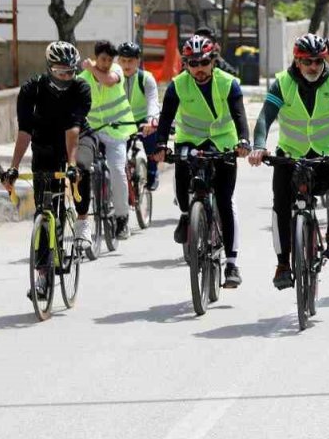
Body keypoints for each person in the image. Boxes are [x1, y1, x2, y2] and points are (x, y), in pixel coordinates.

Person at [248, 35, 329, 289]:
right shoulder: (282, 83)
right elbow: (265, 118)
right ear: (297, 61)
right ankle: (283, 263)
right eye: (307, 61)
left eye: (318, 61)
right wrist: (260, 147)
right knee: (281, 206)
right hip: (291, 156)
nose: (313, 67)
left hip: (327, 153)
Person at [154, 36, 251, 288]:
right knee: (182, 175)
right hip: (190, 140)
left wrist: (243, 141)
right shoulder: (178, 85)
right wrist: (162, 144)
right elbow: (165, 119)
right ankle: (187, 215)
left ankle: (231, 263)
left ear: (213, 61)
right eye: (192, 63)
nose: (198, 68)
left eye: (204, 62)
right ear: (185, 64)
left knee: (224, 200)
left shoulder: (229, 83)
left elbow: (240, 116)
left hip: (223, 144)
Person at [1, 42, 92, 300]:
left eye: (71, 72)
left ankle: (83, 222)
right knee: (42, 211)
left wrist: (72, 166)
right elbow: (24, 131)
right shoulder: (32, 88)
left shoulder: (80, 88)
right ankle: (41, 277)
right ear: (49, 68)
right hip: (45, 145)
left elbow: (73, 129)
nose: (67, 77)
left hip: (78, 139)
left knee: (83, 169)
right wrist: (13, 168)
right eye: (61, 72)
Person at [77, 41, 136, 238]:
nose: (106, 63)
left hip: (116, 132)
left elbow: (108, 80)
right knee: (84, 169)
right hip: (92, 133)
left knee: (118, 170)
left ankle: (122, 218)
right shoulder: (83, 78)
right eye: (103, 59)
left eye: (110, 60)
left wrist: (92, 67)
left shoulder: (116, 70)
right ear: (96, 56)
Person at [118, 41, 160, 191]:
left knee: (151, 142)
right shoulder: (113, 79)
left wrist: (152, 121)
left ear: (138, 61)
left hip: (143, 120)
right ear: (118, 61)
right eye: (123, 61)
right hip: (122, 122)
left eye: (130, 61)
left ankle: (153, 172)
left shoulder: (146, 78)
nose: (126, 65)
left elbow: (153, 101)